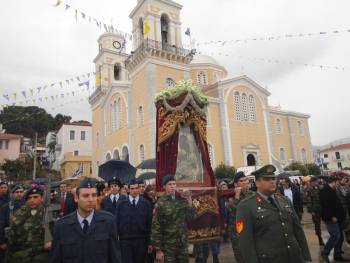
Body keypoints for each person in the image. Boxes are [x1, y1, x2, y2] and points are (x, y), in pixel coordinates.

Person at [236, 165, 311, 263]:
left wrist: (307, 258)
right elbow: (246, 243)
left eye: (273, 178)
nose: (272, 181)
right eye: (267, 179)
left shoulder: (285, 201)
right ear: (257, 183)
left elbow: (298, 232)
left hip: (294, 258)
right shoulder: (246, 206)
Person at [49, 178, 121, 263]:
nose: (91, 199)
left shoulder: (108, 221)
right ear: (76, 198)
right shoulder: (62, 226)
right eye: (85, 196)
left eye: (94, 195)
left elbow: (115, 257)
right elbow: (56, 258)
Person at [151, 174, 196, 263]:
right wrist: (158, 250)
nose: (172, 186)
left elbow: (191, 217)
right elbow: (156, 227)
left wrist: (189, 198)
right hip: (168, 246)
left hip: (182, 244)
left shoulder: (181, 200)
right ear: (164, 186)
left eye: (174, 184)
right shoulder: (160, 203)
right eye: (169, 184)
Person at [7, 186, 51, 263]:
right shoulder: (19, 214)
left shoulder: (48, 213)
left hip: (42, 256)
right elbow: (12, 239)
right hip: (22, 257)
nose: (32, 200)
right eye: (29, 198)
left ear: (42, 198)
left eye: (35, 197)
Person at [116, 179, 153, 263]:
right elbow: (117, 223)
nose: (134, 191)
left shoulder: (146, 204)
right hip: (125, 241)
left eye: (136, 188)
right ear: (128, 190)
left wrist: (149, 242)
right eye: (132, 189)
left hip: (141, 241)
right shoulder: (121, 204)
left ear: (139, 188)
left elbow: (149, 224)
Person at [228, 171, 254, 263]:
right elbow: (235, 211)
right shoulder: (231, 197)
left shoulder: (252, 195)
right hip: (237, 234)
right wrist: (237, 195)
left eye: (245, 180)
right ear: (236, 184)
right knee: (241, 258)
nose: (244, 182)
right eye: (241, 181)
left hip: (251, 232)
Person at [320, 176, 347, 262]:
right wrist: (332, 216)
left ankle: (337, 254)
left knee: (340, 237)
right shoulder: (324, 191)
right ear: (333, 182)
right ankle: (325, 252)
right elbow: (325, 206)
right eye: (336, 182)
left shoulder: (332, 190)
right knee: (336, 236)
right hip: (331, 218)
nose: (337, 184)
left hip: (338, 218)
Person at [0, 185, 25, 263]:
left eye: (21, 192)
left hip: (25, 241)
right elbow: (1, 225)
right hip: (10, 241)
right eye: (16, 192)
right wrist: (2, 242)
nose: (19, 194)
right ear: (12, 194)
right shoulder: (6, 207)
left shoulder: (28, 205)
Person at [305, 176, 324, 246]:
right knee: (317, 225)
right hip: (315, 211)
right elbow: (308, 201)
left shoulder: (319, 188)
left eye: (317, 181)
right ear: (312, 182)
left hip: (322, 209)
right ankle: (319, 239)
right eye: (316, 181)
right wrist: (311, 211)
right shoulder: (309, 190)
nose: (317, 182)